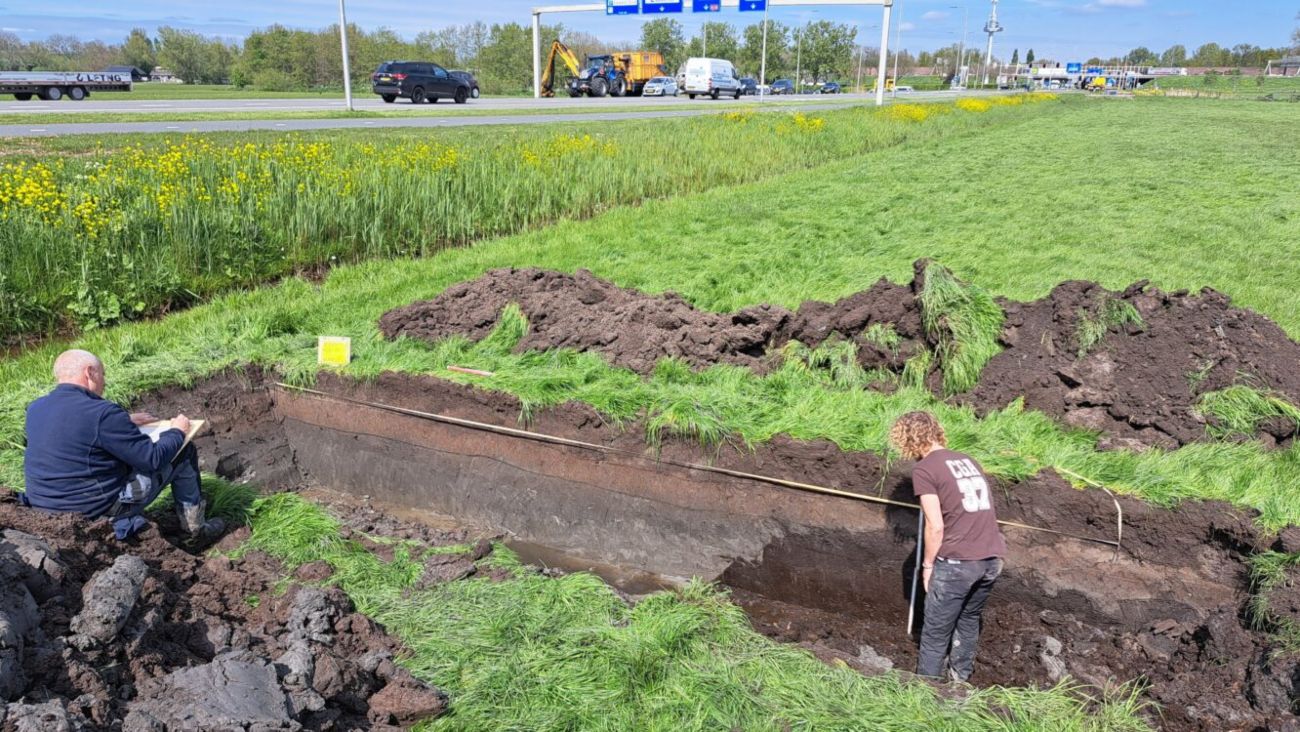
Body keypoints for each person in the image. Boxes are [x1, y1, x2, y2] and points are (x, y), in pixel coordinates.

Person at [23, 349, 225, 542]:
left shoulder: (36, 407)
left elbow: (71, 430)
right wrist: (177, 431)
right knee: (183, 451)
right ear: (90, 373)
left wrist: (123, 421)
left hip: (46, 510)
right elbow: (152, 459)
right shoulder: (102, 413)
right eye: (103, 374)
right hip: (95, 513)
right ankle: (195, 531)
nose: (105, 381)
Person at [889, 411, 1007, 682]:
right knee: (968, 621)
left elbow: (935, 525)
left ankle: (927, 695)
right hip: (991, 558)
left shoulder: (925, 469)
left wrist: (928, 565)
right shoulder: (967, 460)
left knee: (934, 633)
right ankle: (959, 684)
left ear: (909, 439)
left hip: (958, 563)